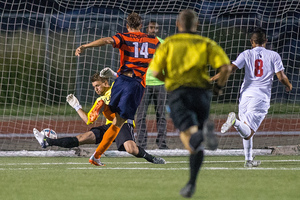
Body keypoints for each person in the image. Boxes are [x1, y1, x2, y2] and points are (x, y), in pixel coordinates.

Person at [149, 9, 232, 198]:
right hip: (202, 95)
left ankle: (203, 134)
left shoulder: (169, 43)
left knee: (189, 135)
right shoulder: (205, 43)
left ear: (178, 25)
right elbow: (226, 67)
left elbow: (154, 73)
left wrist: (168, 80)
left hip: (179, 93)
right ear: (197, 25)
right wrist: (218, 88)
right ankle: (191, 184)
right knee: (195, 142)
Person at [75, 12, 160, 166]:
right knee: (120, 121)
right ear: (141, 25)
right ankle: (97, 154)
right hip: (135, 85)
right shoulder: (153, 40)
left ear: (127, 26)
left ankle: (96, 155)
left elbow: (107, 40)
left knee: (115, 120)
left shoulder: (123, 36)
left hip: (120, 81)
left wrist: (85, 46)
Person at [33, 73, 166, 165]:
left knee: (131, 149)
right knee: (82, 138)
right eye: (94, 87)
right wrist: (76, 106)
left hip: (122, 123)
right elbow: (88, 120)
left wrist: (115, 74)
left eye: (98, 85)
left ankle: (152, 158)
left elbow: (129, 80)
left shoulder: (116, 88)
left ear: (105, 82)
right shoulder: (99, 100)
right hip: (109, 126)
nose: (96, 89)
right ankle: (48, 141)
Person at [218, 28, 292, 167]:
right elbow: (281, 76)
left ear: (252, 42)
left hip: (245, 96)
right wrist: (289, 85)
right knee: (248, 131)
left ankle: (248, 160)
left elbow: (230, 69)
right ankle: (234, 121)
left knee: (247, 130)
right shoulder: (274, 55)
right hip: (261, 97)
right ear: (266, 41)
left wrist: (214, 78)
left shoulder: (246, 53)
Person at [135, 21, 168, 149]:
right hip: (144, 83)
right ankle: (142, 144)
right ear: (146, 28)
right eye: (152, 27)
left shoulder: (163, 43)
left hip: (160, 83)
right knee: (141, 115)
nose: (154, 30)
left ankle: (162, 144)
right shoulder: (140, 42)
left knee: (161, 115)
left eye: (156, 28)